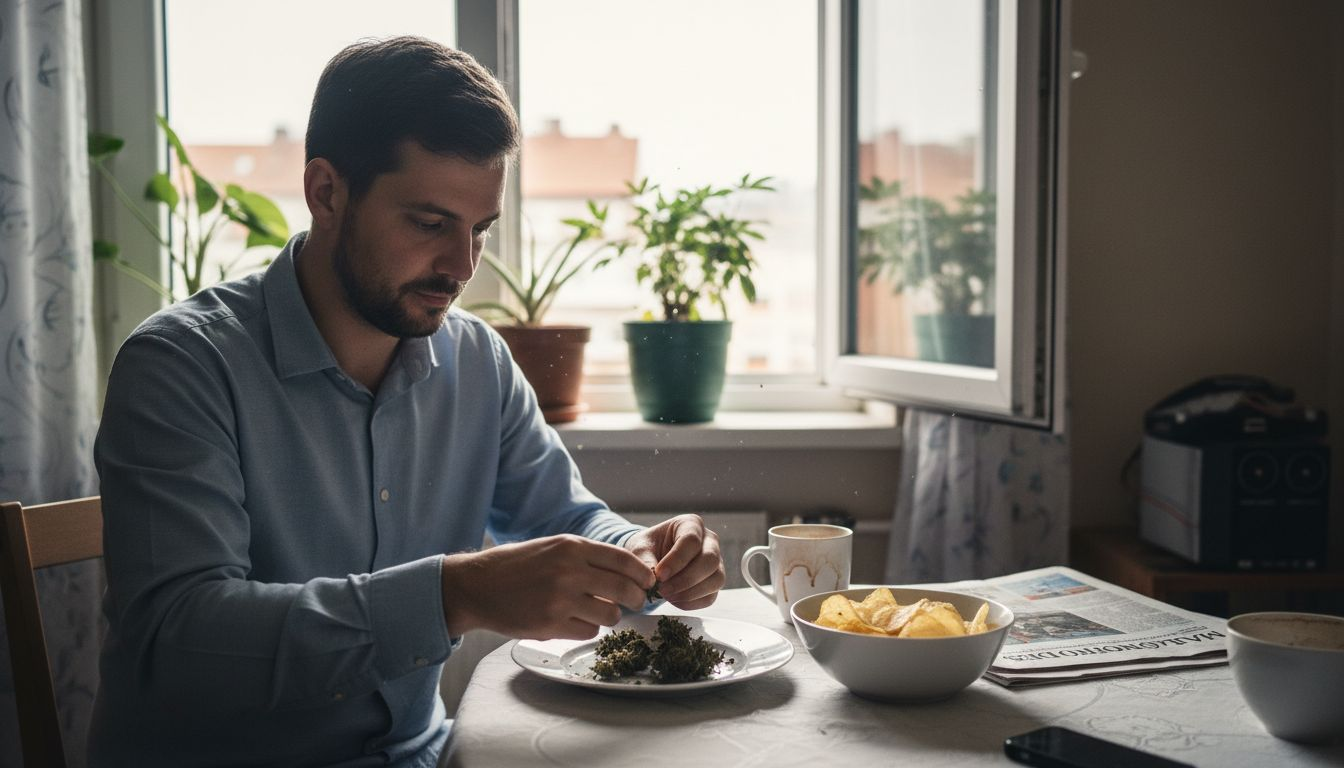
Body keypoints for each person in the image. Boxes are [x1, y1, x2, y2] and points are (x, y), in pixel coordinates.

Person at [89, 36, 724, 767]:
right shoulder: (180, 366)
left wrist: (640, 552)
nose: (462, 266)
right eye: (429, 224)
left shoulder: (478, 361)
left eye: (479, 230)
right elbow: (180, 641)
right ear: (326, 192)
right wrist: (451, 597)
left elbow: (567, 519)